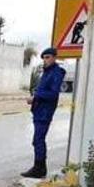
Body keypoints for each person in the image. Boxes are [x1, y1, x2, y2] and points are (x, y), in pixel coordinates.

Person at [22, 47, 66, 179]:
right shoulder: (47, 72)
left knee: (38, 140)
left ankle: (39, 168)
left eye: (48, 57)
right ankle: (40, 167)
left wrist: (36, 96)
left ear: (54, 58)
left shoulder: (56, 72)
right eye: (44, 58)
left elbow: (53, 94)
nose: (45, 60)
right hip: (39, 110)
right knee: (37, 140)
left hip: (45, 112)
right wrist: (35, 97)